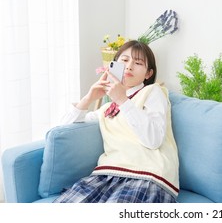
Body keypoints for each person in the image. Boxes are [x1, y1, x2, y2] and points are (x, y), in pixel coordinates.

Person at [54, 40, 179, 203]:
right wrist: (88, 98)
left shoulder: (153, 92)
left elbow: (153, 140)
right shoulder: (107, 108)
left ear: (148, 74)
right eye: (125, 60)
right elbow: (62, 131)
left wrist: (122, 100)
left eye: (138, 62)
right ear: (114, 66)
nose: (129, 66)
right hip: (106, 176)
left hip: (147, 176)